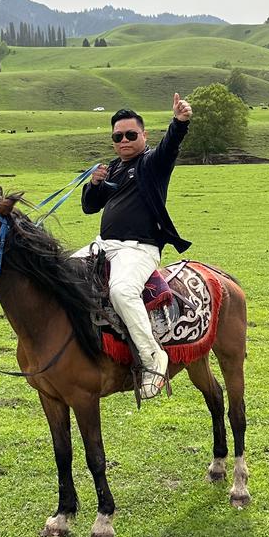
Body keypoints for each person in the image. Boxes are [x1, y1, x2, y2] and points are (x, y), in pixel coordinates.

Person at [73, 93, 193, 400]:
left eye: (130, 134)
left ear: (143, 135)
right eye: (118, 136)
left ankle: (153, 358)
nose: (124, 140)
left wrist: (179, 122)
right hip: (104, 245)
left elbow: (170, 147)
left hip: (139, 249)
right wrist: (94, 185)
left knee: (122, 291)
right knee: (62, 272)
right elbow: (89, 207)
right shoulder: (113, 168)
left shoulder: (152, 163)